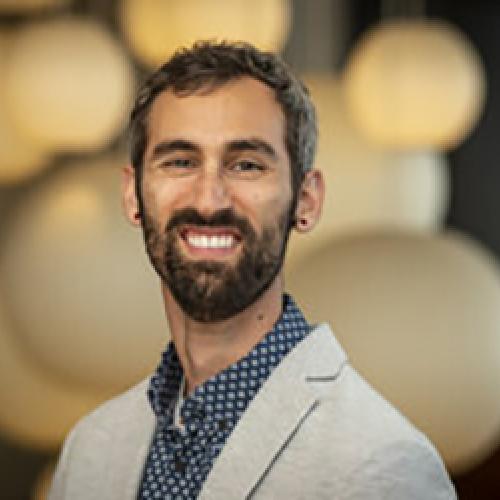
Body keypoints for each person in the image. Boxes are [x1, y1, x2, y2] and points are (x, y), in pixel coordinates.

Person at [48, 41, 456, 500]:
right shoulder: (90, 450)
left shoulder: (382, 464)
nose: (208, 200)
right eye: (180, 162)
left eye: (246, 165)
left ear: (306, 199)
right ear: (133, 195)